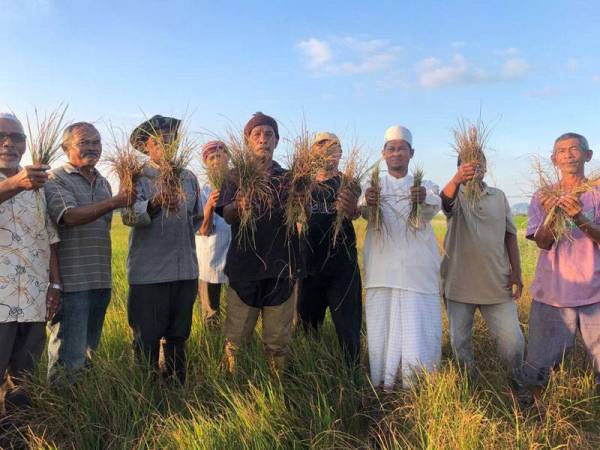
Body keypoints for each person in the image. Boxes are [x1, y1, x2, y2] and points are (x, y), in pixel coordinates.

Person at [513, 132, 600, 405]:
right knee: (539, 363)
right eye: (561, 151)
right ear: (553, 160)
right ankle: (531, 411)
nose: (568, 154)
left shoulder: (597, 193)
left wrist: (578, 216)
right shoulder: (543, 195)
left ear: (588, 155)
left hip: (595, 292)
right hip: (552, 293)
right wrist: (554, 215)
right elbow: (542, 242)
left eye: (575, 149)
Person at [216, 112, 303, 374]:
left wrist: (301, 203)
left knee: (278, 341)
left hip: (281, 267)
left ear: (277, 141)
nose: (263, 139)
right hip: (244, 267)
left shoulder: (290, 179)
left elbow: (302, 215)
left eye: (269, 134)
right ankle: (233, 384)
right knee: (236, 339)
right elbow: (228, 215)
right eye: (257, 134)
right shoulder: (235, 177)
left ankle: (277, 387)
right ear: (247, 141)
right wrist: (238, 206)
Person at [45, 122, 131, 381]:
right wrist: (116, 201)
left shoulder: (103, 182)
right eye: (84, 142)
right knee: (67, 359)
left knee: (89, 353)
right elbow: (68, 216)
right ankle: (62, 411)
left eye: (96, 142)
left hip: (100, 282)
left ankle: (83, 408)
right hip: (72, 285)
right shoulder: (56, 178)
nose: (92, 148)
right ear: (65, 147)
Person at [361, 125, 442, 390]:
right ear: (383, 154)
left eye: (402, 149)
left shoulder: (424, 185)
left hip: (416, 271)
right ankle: (383, 382)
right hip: (382, 270)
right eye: (391, 148)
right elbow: (362, 211)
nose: (396, 153)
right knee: (382, 325)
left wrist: (424, 197)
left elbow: (434, 205)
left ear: (411, 153)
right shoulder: (372, 186)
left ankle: (417, 382)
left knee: (417, 326)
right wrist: (367, 203)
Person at [124, 115, 202, 384]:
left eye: (172, 139)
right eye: (159, 140)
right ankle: (145, 391)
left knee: (179, 335)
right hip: (150, 274)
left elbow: (196, 219)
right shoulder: (135, 177)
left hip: (186, 272)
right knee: (147, 337)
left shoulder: (189, 177)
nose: (167, 144)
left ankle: (176, 386)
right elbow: (128, 217)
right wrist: (155, 203)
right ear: (146, 146)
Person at [440, 155, 524, 380]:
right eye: (468, 162)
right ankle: (468, 386)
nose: (475, 166)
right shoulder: (455, 192)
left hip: (497, 282)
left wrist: (517, 272)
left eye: (480, 162)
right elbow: (445, 202)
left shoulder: (498, 196)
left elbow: (510, 235)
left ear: (486, 167)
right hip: (458, 282)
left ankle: (516, 382)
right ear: (459, 167)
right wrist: (457, 179)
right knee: (460, 342)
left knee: (512, 342)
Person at [0, 112, 60, 414]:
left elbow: (48, 237)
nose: (9, 143)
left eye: (17, 137)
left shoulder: (37, 183)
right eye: (1, 137)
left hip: (32, 301)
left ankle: (16, 437)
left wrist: (55, 283)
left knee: (23, 380)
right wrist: (14, 184)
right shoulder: (22, 181)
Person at [296, 132, 362, 364]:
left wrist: (351, 207)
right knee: (306, 324)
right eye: (321, 146)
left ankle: (349, 371)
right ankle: (308, 370)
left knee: (347, 324)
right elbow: (296, 219)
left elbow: (355, 213)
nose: (327, 151)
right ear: (312, 152)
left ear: (341, 154)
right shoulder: (303, 183)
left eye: (333, 147)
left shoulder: (349, 182)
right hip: (309, 263)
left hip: (342, 265)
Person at [196, 141, 231, 327]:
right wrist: (210, 205)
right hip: (210, 260)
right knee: (212, 312)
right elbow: (203, 230)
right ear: (206, 163)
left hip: (236, 258)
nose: (217, 160)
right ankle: (214, 346)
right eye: (211, 157)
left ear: (229, 157)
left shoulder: (238, 185)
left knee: (237, 310)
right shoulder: (203, 191)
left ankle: (233, 347)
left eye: (220, 155)